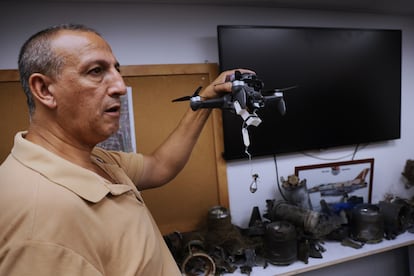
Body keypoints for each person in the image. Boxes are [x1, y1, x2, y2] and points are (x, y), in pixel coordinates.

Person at [0, 24, 254, 275]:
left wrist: (206, 101)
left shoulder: (94, 158)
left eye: (116, 70)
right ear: (44, 90)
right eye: (96, 71)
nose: (120, 86)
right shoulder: (36, 224)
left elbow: (160, 167)